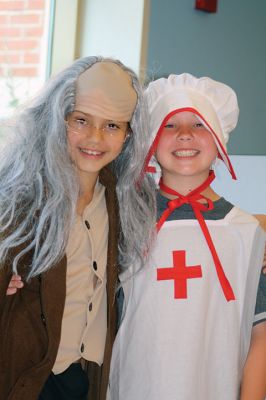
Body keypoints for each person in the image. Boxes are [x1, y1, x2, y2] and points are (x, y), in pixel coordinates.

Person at [0, 56, 155, 400]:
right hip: (24, 376)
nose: (95, 137)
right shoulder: (20, 195)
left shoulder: (124, 200)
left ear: (129, 133)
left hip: (80, 378)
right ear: (57, 119)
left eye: (112, 125)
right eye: (81, 120)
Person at [107, 73, 266, 400]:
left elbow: (260, 334)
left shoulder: (247, 233)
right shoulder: (124, 222)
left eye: (199, 125)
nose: (184, 135)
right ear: (151, 141)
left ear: (220, 139)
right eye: (169, 125)